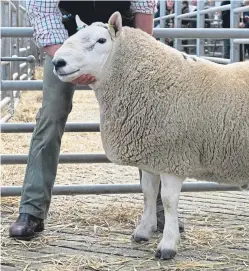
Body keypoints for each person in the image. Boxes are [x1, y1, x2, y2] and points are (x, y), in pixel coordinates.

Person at [9, 0, 184, 240]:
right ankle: (32, 210)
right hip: (67, 43)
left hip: (117, 44)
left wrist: (138, 61)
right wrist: (73, 64)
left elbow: (143, 11)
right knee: (52, 113)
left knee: (145, 118)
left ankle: (159, 211)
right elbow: (45, 16)